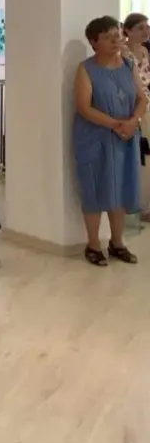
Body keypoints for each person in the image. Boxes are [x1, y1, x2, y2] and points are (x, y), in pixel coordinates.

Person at [74, 16, 145, 265]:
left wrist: (133, 121)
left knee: (121, 188)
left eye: (117, 35)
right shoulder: (86, 68)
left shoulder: (128, 65)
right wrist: (116, 124)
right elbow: (84, 107)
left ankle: (117, 243)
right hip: (95, 138)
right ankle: (93, 245)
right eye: (107, 37)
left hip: (125, 137)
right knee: (94, 189)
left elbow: (142, 98)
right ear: (94, 42)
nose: (115, 40)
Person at [122, 13, 150, 221]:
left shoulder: (144, 51)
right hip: (133, 108)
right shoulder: (123, 53)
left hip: (147, 104)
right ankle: (139, 205)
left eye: (146, 27)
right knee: (140, 157)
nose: (145, 31)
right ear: (128, 30)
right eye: (140, 27)